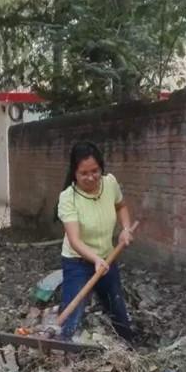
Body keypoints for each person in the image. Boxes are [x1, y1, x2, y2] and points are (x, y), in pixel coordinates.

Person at [56, 141, 135, 342]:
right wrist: (95, 260)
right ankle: (64, 352)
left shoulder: (110, 183)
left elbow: (121, 206)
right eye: (84, 173)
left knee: (117, 308)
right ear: (74, 172)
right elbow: (74, 240)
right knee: (72, 314)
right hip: (77, 262)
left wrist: (125, 229)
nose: (90, 177)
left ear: (101, 168)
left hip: (108, 258)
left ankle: (128, 348)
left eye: (95, 171)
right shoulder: (68, 198)